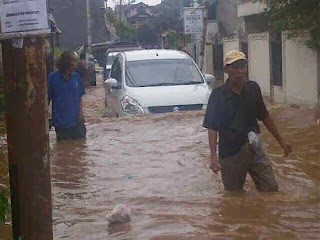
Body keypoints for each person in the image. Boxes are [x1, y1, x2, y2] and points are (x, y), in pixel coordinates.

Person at [203, 50, 292, 192]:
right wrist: (213, 157)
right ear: (226, 69)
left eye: (242, 66)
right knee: (234, 195)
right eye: (235, 67)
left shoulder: (253, 88)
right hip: (231, 153)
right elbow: (212, 128)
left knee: (271, 189)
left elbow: (265, 117)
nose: (239, 71)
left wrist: (282, 141)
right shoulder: (218, 95)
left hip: (255, 148)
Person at [48, 51, 86, 141]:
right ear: (67, 63)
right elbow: (47, 99)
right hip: (61, 124)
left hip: (77, 123)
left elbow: (80, 97)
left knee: (80, 149)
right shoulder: (53, 78)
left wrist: (81, 114)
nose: (77, 63)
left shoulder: (77, 77)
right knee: (63, 149)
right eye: (74, 61)